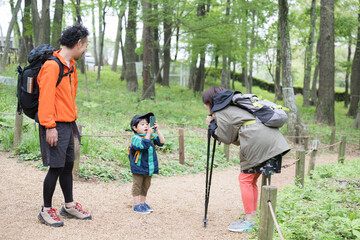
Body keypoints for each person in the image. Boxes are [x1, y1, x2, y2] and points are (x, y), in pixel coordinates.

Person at [202, 86, 290, 232]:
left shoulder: (220, 112)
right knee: (251, 180)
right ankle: (253, 217)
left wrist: (212, 125)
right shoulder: (235, 106)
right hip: (269, 139)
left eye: (204, 103)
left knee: (245, 180)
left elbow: (226, 138)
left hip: (257, 141)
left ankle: (250, 221)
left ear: (209, 102)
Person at [37, 24, 91, 227]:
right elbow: (45, 99)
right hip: (54, 125)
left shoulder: (71, 66)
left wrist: (72, 121)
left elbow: (69, 97)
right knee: (56, 167)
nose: (85, 49)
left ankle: (68, 206)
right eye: (85, 45)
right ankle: (45, 209)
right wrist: (49, 126)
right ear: (78, 43)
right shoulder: (52, 66)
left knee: (68, 165)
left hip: (68, 124)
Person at [129, 112, 165, 214]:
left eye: (146, 124)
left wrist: (157, 130)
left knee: (146, 185)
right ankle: (136, 205)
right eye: (142, 124)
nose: (145, 126)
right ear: (135, 128)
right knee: (137, 185)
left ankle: (142, 203)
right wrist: (149, 134)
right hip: (138, 167)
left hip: (149, 167)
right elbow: (143, 145)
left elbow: (162, 142)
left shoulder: (151, 137)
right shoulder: (135, 138)